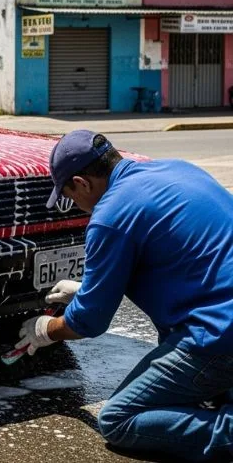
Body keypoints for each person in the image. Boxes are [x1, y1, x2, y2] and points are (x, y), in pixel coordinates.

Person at [15, 129, 233, 462]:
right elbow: (184, 263)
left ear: (83, 182)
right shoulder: (176, 169)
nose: (76, 205)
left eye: (71, 196)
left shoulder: (110, 216)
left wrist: (46, 330)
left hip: (220, 334)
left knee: (119, 420)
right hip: (222, 314)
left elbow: (90, 321)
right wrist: (89, 289)